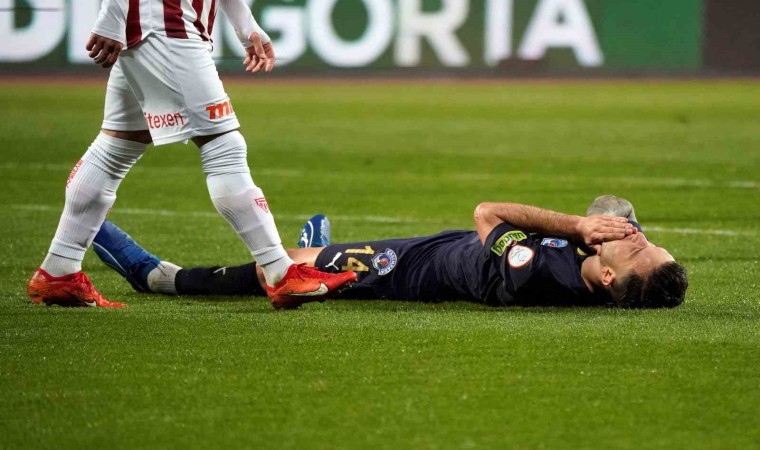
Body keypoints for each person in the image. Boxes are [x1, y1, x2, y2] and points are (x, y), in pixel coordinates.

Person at [26, 0, 356, 310]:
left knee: (116, 148)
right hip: (165, 26)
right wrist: (112, 16)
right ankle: (281, 273)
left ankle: (59, 271)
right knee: (224, 147)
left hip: (158, 27)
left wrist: (247, 26)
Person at [91, 196, 688, 309]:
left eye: (638, 249)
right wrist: (603, 226)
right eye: (649, 240)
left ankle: (158, 277)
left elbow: (487, 213)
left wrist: (578, 224)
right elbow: (617, 206)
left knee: (287, 270)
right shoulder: (604, 269)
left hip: (404, 272)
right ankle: (320, 247)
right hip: (444, 253)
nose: (639, 236)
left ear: (606, 279)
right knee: (311, 255)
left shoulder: (534, 274)